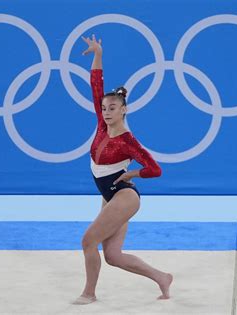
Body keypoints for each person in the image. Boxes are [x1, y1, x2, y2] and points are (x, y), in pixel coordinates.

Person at [72, 34, 173, 305]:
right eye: (104, 108)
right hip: (109, 195)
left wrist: (133, 174)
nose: (106, 112)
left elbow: (155, 169)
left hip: (124, 196)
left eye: (112, 108)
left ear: (124, 110)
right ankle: (162, 277)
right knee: (113, 256)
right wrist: (98, 55)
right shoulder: (102, 125)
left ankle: (89, 293)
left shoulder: (128, 141)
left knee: (88, 241)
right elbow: (96, 86)